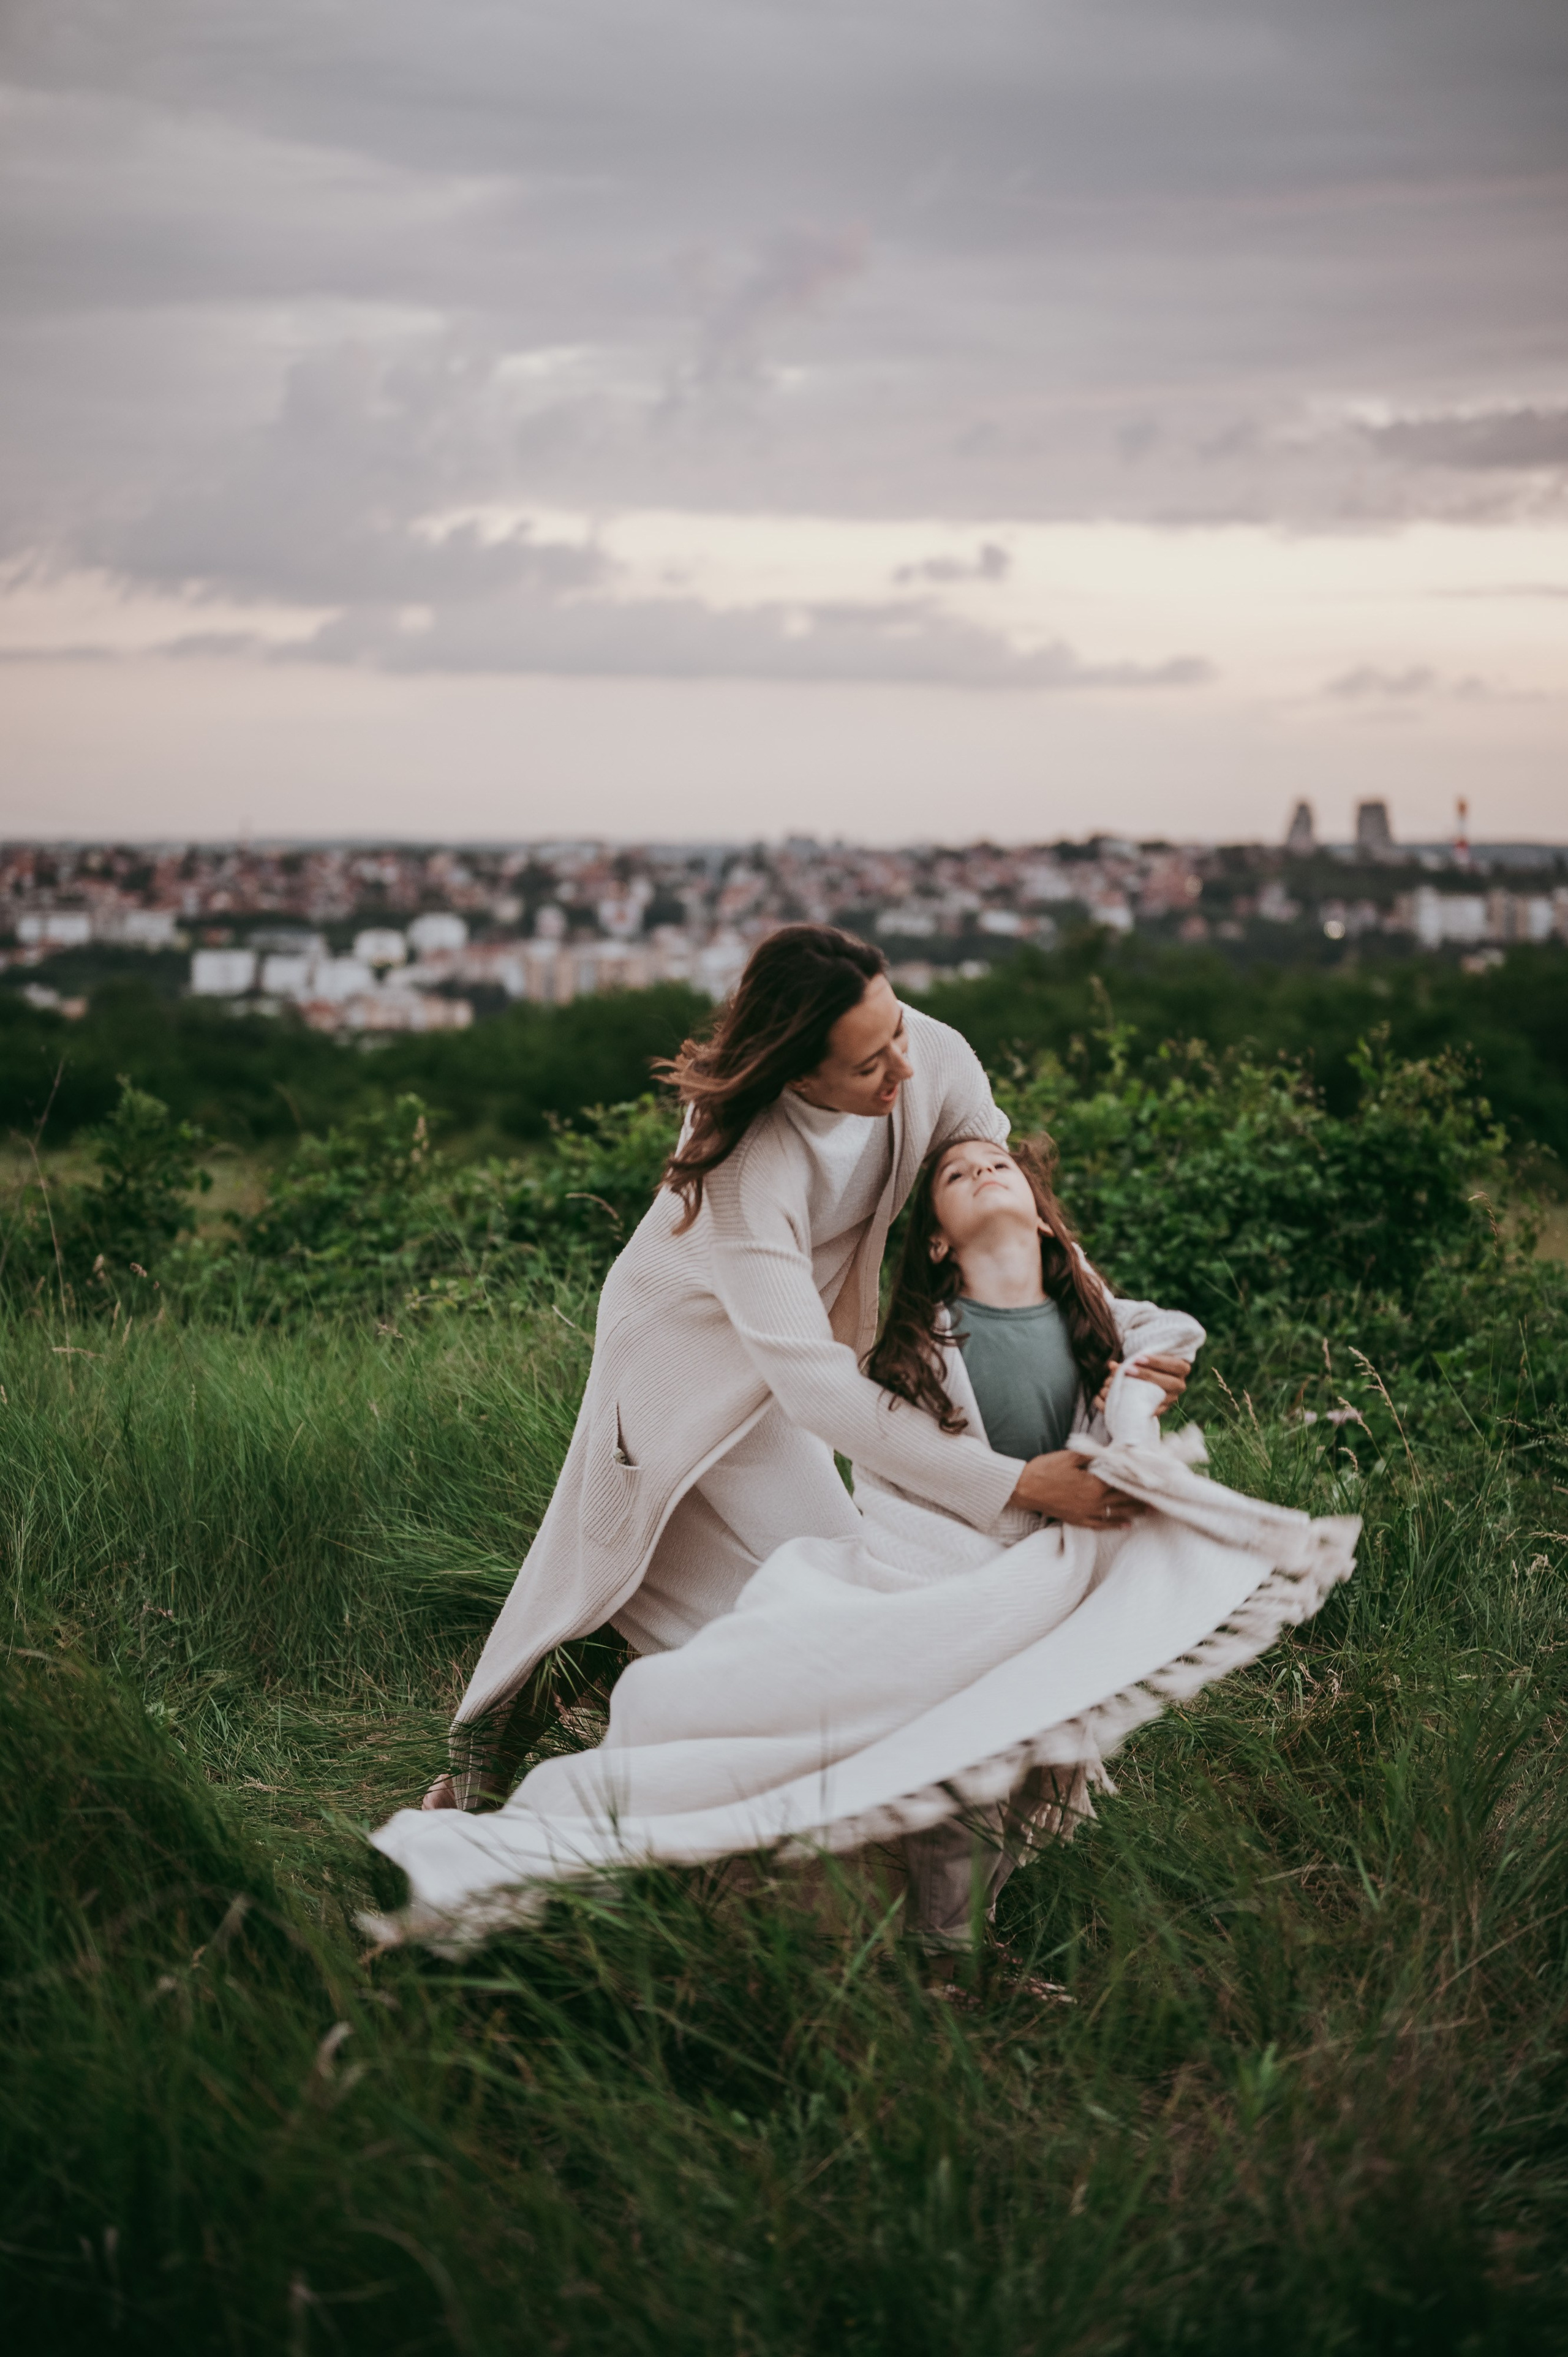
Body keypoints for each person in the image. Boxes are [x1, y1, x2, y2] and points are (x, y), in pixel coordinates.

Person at [371, 1131, 1358, 1956]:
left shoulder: (1092, 1320)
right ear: (932, 1244)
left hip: (1040, 1577)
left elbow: (1166, 1329)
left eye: (1002, 1167)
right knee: (911, 1747)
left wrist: (1135, 1388)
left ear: (1051, 1220)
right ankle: (934, 1949)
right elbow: (885, 1449)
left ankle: (952, 1947)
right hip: (939, 1579)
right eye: (956, 1177)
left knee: (996, 1769)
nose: (982, 1173)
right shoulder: (920, 1347)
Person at [424, 924, 1191, 1811]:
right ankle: (509, 1746)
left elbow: (1022, 1222)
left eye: (896, 1027)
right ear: (797, 1075)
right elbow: (818, 1389)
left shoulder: (936, 1058)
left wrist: (1111, 1343)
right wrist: (1018, 1482)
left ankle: (584, 1680)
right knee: (829, 1602)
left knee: (803, 1603)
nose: (902, 1068)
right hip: (688, 1363)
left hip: (803, 1343)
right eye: (869, 1066)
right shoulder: (745, 1162)